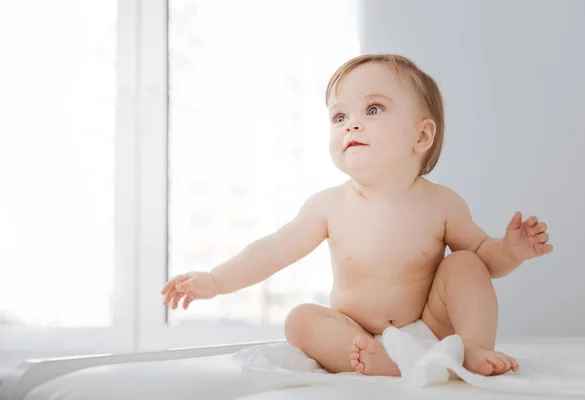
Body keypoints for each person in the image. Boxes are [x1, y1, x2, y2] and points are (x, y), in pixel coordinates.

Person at [161, 54, 553, 377]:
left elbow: (486, 262)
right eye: (339, 117)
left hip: (430, 327)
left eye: (373, 108)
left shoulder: (442, 203)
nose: (352, 123)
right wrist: (216, 280)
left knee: (466, 263)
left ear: (421, 137)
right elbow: (273, 250)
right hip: (356, 335)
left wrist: (510, 250)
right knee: (300, 320)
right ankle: (387, 366)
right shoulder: (328, 205)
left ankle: (473, 348)